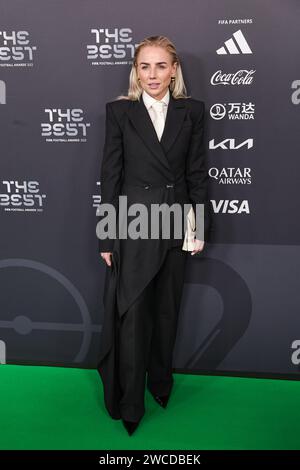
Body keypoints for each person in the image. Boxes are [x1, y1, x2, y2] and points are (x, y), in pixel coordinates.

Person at [96, 35, 211, 436]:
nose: (152, 75)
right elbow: (110, 175)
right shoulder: (119, 113)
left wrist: (195, 229)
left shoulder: (192, 112)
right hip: (134, 225)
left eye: (161, 66)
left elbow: (196, 173)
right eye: (144, 66)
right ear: (135, 70)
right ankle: (130, 403)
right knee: (132, 316)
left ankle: (160, 384)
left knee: (166, 311)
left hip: (176, 224)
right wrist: (106, 237)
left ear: (174, 69)